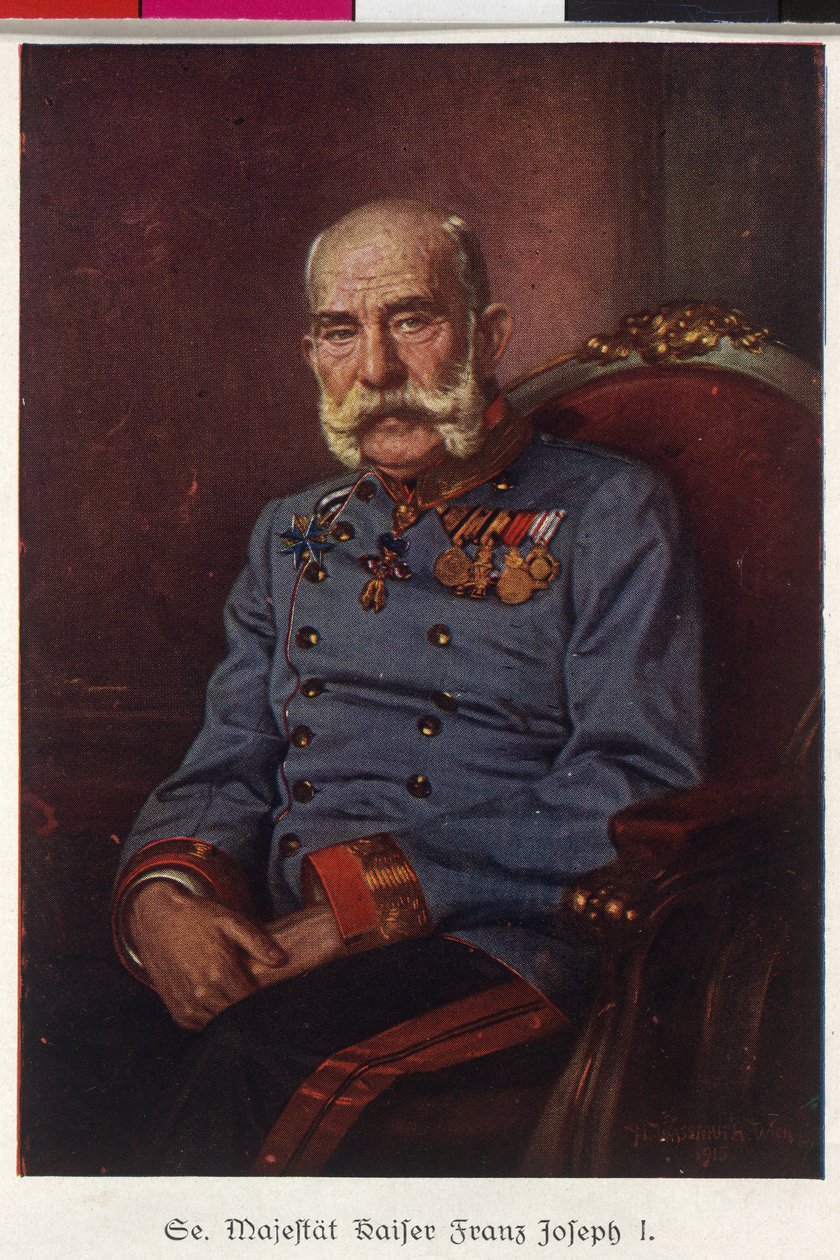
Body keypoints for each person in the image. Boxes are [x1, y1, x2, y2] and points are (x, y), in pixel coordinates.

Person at [110, 198, 705, 1174]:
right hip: (278, 928)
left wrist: (363, 907)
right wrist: (165, 900)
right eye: (342, 332)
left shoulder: (610, 509)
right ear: (313, 353)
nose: (378, 370)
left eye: (412, 320)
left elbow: (633, 782)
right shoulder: (290, 531)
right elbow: (225, 762)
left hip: (497, 936)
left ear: (489, 334)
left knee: (256, 1060)